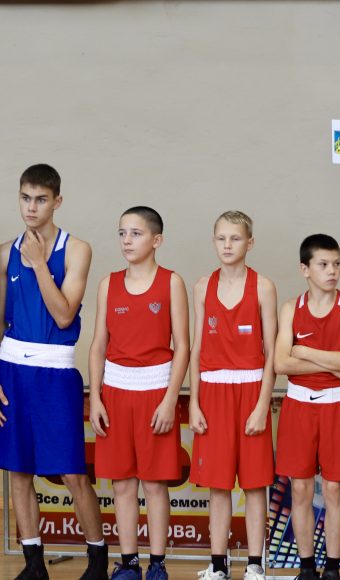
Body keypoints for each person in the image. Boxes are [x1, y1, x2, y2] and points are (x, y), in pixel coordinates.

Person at [0, 164, 108, 580]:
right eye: (25, 198)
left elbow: (63, 316)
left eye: (41, 199)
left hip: (55, 373)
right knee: (19, 471)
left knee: (72, 473)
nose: (31, 207)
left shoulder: (77, 249)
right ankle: (33, 564)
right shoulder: (4, 252)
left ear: (57, 201)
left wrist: (39, 264)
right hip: (12, 370)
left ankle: (97, 561)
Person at [88, 206, 190, 580]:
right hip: (115, 394)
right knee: (123, 484)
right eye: (122, 233)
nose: (127, 240)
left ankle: (157, 564)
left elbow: (183, 346)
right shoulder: (108, 284)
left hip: (155, 394)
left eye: (135, 233)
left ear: (156, 240)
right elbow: (98, 345)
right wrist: (96, 397)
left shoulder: (171, 282)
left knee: (155, 484)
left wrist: (170, 398)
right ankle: (128, 562)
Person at [190, 211, 278, 580]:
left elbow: (272, 352)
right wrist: (194, 402)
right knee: (218, 485)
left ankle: (255, 564)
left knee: (255, 485)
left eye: (235, 238)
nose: (227, 245)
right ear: (214, 241)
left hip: (251, 390)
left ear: (250, 243)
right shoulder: (202, 286)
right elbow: (196, 349)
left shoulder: (263, 287)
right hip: (213, 392)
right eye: (221, 238)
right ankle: (218, 563)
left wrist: (262, 404)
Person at [275, 234, 340, 580]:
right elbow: (281, 364)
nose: (332, 271)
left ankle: (332, 568)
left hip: (337, 406)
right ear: (305, 269)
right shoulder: (290, 308)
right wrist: (334, 364)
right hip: (299, 405)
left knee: (333, 489)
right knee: (299, 488)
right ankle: (307, 567)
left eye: (337, 264)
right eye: (324, 264)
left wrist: (304, 351)